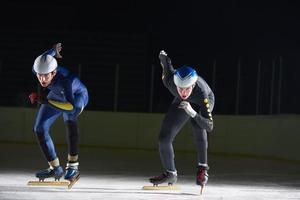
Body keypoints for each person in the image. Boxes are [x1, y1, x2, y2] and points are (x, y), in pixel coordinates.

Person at [149, 50, 215, 188]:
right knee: (164, 138)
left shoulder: (201, 91)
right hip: (180, 102)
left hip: (203, 100)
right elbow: (166, 64)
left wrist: (193, 113)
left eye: (187, 89)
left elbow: (209, 126)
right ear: (175, 84)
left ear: (193, 85)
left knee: (198, 126)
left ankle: (203, 169)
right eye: (180, 89)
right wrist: (163, 56)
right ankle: (170, 172)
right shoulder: (169, 80)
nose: (183, 92)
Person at [29, 43, 89, 183]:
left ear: (54, 72)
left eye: (46, 76)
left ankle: (73, 166)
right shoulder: (37, 68)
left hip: (77, 96)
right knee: (39, 128)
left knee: (69, 117)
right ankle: (55, 168)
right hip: (57, 94)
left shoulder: (65, 81)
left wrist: (45, 101)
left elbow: (70, 106)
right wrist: (53, 50)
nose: (42, 79)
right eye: (39, 76)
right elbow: (45, 57)